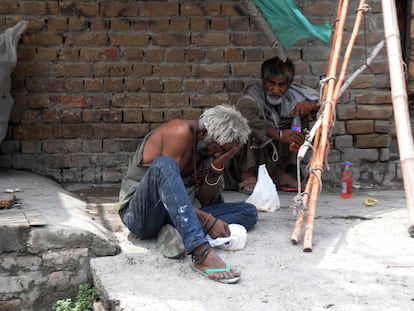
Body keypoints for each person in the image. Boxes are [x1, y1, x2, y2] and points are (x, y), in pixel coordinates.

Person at [118, 104, 258, 284]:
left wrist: (217, 166)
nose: (219, 154)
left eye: (225, 152)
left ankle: (175, 232)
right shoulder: (179, 132)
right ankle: (201, 254)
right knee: (164, 165)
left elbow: (204, 202)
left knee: (248, 212)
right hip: (141, 216)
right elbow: (167, 189)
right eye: (219, 149)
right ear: (202, 134)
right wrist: (207, 220)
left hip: (180, 216)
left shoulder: (209, 151)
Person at [224, 56, 320, 195]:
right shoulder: (252, 96)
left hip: (274, 155)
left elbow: (325, 103)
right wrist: (279, 135)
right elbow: (245, 115)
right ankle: (247, 176)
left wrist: (309, 106)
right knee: (242, 123)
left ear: (289, 85)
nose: (275, 90)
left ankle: (282, 174)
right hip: (254, 154)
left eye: (281, 85)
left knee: (299, 117)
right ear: (264, 82)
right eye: (271, 83)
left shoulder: (294, 94)